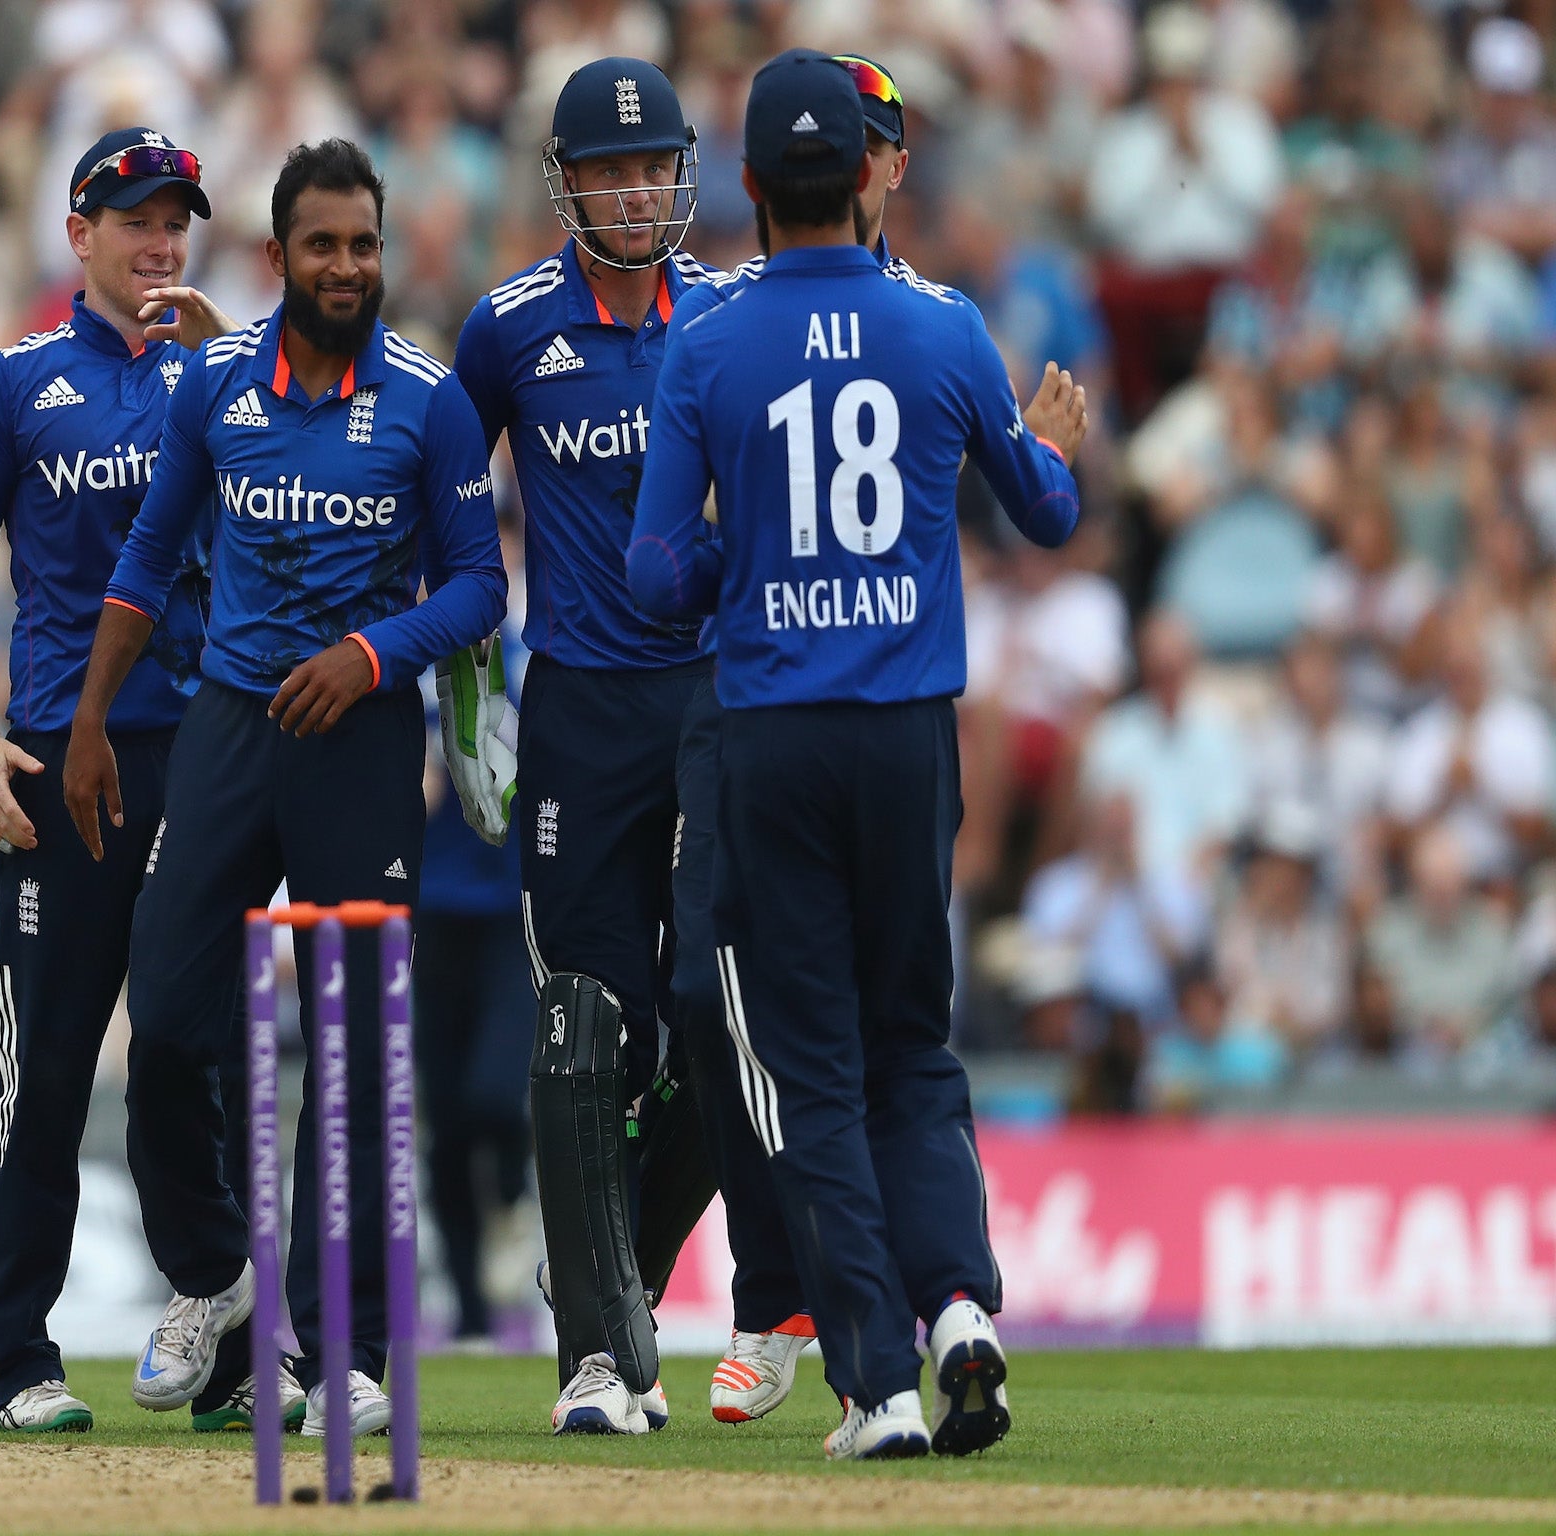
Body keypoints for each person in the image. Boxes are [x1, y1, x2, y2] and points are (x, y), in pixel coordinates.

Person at [628, 49, 1088, 1460]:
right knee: (915, 1051)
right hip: (907, 739)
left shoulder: (706, 340)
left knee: (817, 1068)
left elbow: (654, 575)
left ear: (754, 186)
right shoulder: (945, 326)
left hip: (775, 740)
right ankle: (962, 1308)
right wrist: (1056, 451)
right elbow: (1047, 516)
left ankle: (879, 1383)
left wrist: (743, 553)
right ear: (874, 176)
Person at [62, 138, 506, 1440]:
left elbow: (478, 586)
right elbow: (149, 556)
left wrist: (372, 655)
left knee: (356, 1053)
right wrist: (91, 717)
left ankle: (344, 1356)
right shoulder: (217, 387)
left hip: (358, 739)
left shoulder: (427, 402)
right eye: (323, 245)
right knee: (170, 1008)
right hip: (228, 724)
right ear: (277, 259)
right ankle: (213, 1277)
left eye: (365, 244)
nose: (348, 266)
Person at [0, 126, 232, 1435]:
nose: (162, 244)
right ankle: (17, 1366)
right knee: (45, 1072)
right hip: (58, 763)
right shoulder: (12, 384)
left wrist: (238, 371)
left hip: (197, 752)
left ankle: (215, 1302)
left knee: (179, 1049)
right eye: (139, 222)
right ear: (80, 236)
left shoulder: (227, 379)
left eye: (177, 222)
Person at [450, 55, 722, 1436]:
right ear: (566, 184)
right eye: (606, 170)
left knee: (715, 1035)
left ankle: (612, 1274)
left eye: (650, 165)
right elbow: (444, 495)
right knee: (582, 1029)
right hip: (581, 712)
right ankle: (599, 1361)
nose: (632, 191)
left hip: (715, 707)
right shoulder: (506, 328)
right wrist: (466, 680)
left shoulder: (726, 315)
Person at [658, 48, 907, 1429]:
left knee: (883, 1028)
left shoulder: (927, 316)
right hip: (739, 700)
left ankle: (909, 1311)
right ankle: (779, 1303)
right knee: (716, 994)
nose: (847, 168)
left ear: (886, 166)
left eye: (865, 144)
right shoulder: (730, 317)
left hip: (878, 713)